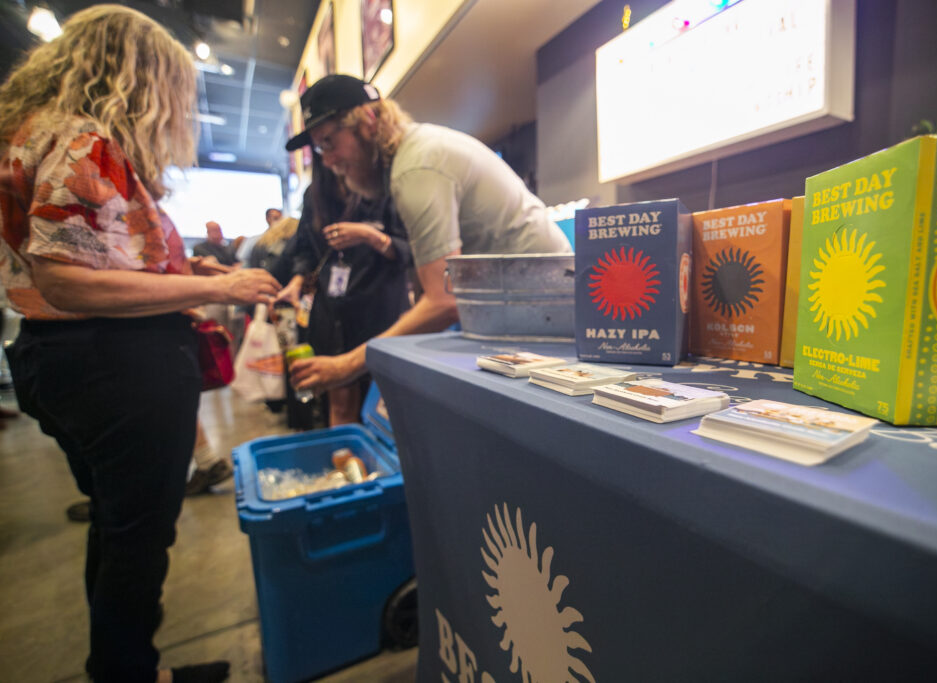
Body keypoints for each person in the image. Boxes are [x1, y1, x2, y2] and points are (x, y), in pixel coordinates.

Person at [0, 6, 281, 682]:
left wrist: (189, 273)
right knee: (139, 542)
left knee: (115, 524)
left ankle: (127, 665)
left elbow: (88, 261)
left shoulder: (28, 133)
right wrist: (218, 288)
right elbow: (70, 281)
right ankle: (127, 670)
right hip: (117, 366)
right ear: (141, 77)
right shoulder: (85, 138)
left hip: (55, 359)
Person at [284, 74, 571, 395]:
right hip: (519, 302)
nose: (329, 161)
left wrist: (346, 365)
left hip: (541, 304)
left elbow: (442, 302)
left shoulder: (415, 168)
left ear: (367, 119)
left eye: (328, 143)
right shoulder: (413, 154)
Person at [273, 153, 412, 425]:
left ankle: (381, 463)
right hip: (332, 312)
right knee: (339, 395)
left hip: (380, 310)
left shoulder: (388, 187)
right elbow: (305, 248)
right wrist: (296, 283)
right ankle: (344, 460)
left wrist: (370, 236)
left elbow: (412, 251)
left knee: (384, 399)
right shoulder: (316, 193)